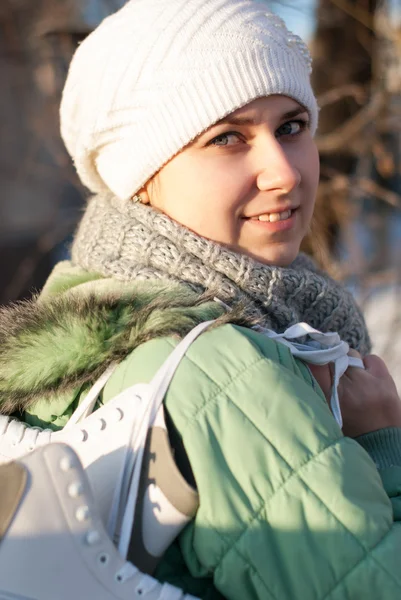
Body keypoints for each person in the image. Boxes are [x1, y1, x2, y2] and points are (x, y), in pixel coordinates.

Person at [1, 0, 401, 598]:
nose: (284, 172)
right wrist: (383, 445)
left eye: (291, 126)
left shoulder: (76, 339)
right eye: (227, 137)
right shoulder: (227, 368)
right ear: (140, 177)